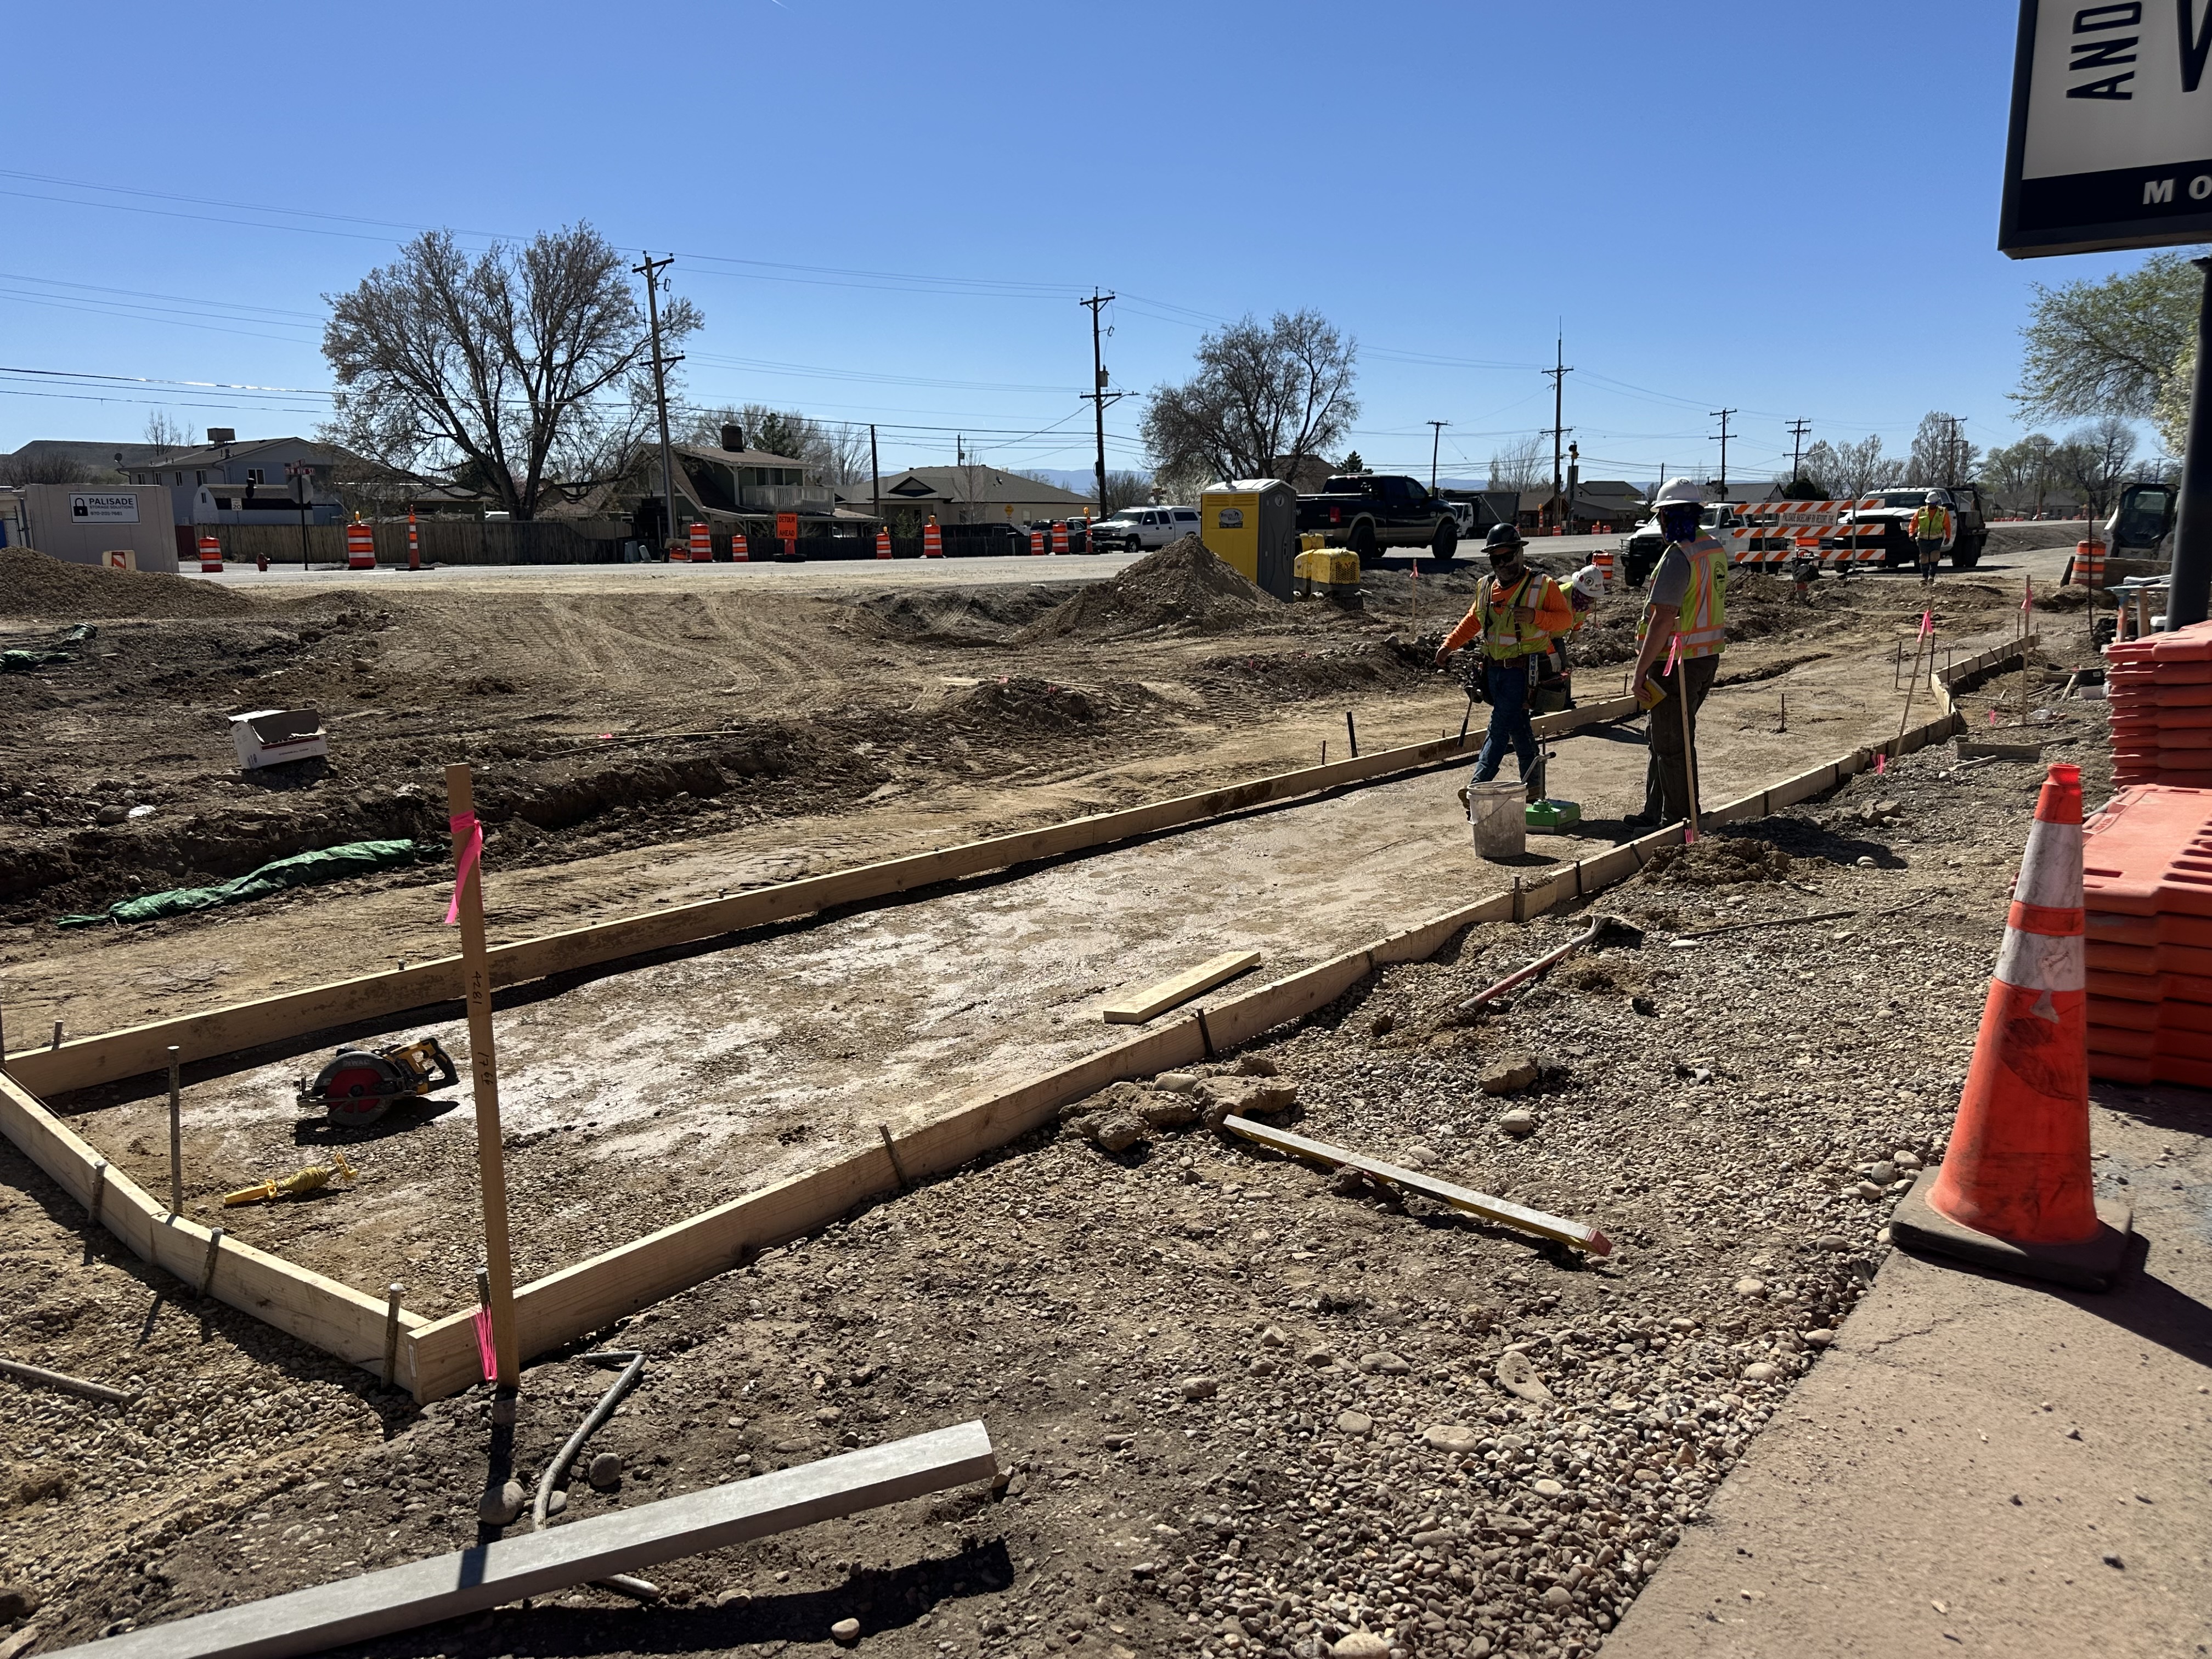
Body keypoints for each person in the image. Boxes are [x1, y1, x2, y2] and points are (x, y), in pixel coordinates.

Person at [1437, 523, 1574, 805]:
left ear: (1520, 553)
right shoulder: (1485, 587)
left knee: (1498, 728)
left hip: (1524, 671)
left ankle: (1478, 784)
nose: (1502, 564)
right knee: (1518, 727)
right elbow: (1474, 620)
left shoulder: (1542, 586)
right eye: (1495, 559)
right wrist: (1449, 645)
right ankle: (1534, 786)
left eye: (1507, 556)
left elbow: (1565, 621)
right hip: (1494, 670)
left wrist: (1536, 617)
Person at [1626, 479, 1727, 828]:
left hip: (1675, 663)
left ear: (1667, 517)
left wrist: (1640, 672)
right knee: (1664, 736)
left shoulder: (1678, 556)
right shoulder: (1711, 548)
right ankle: (1654, 813)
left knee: (1672, 743)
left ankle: (1681, 821)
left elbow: (1663, 618)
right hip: (1703, 659)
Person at [1912, 493, 1949, 586]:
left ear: (1937, 503)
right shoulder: (1921, 511)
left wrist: (1948, 537)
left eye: (1933, 503)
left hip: (1937, 539)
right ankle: (1924, 576)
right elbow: (1913, 523)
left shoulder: (1942, 512)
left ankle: (1931, 576)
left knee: (1934, 556)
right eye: (1929, 503)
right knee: (1924, 557)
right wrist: (1911, 533)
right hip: (1923, 539)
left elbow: (1947, 525)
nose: (1931, 505)